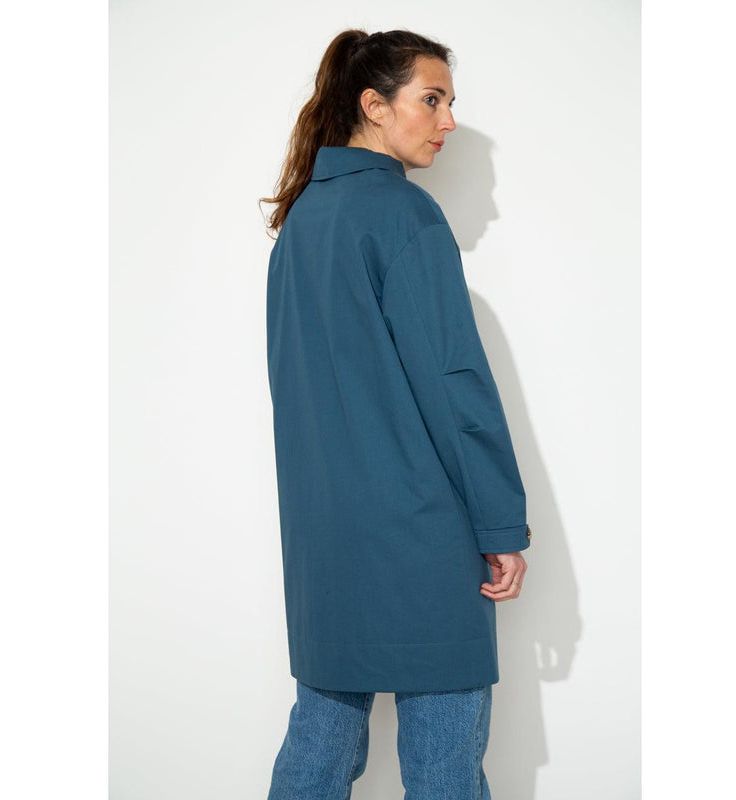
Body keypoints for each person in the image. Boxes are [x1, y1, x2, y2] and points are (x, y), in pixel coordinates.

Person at [259, 28, 532, 800]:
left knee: (319, 745)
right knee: (445, 768)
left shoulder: (302, 222)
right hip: (420, 534)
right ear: (374, 106)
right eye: (432, 99)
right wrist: (501, 525)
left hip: (325, 537)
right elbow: (454, 384)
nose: (448, 121)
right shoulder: (404, 215)